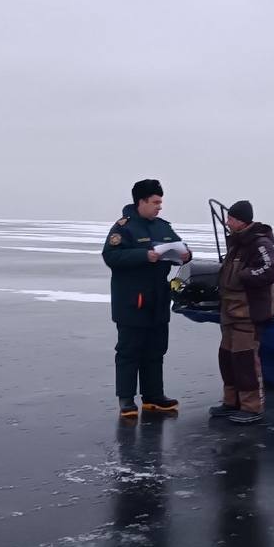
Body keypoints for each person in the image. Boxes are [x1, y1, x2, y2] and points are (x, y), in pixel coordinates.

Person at [102, 179, 192, 418]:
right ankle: (126, 399)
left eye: (161, 202)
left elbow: (182, 248)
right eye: (155, 202)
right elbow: (111, 257)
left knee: (156, 349)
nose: (159, 207)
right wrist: (144, 256)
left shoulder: (163, 227)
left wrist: (185, 255)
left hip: (158, 298)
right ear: (141, 202)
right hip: (132, 299)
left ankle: (153, 396)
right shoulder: (124, 228)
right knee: (130, 350)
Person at [210, 200, 274, 425]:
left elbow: (271, 269)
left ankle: (252, 407)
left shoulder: (258, 243)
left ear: (240, 220)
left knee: (245, 359)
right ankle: (231, 401)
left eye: (230, 218)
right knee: (227, 358)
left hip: (246, 312)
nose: (227, 222)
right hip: (229, 311)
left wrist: (244, 275)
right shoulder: (237, 243)